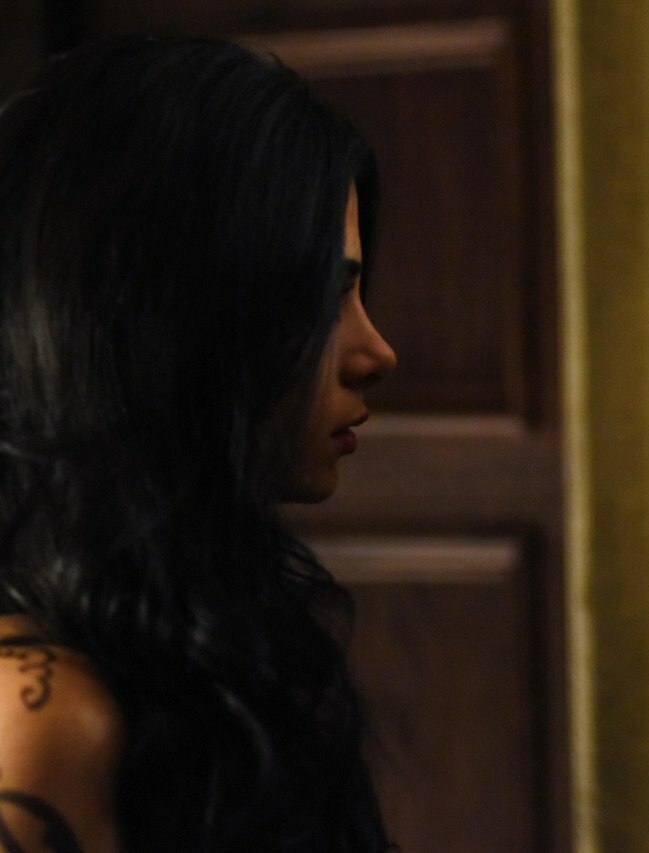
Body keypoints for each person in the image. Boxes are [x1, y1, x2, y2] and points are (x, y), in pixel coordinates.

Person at [0, 36, 397, 850]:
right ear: (177, 318)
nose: (377, 352)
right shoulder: (43, 718)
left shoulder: (198, 641)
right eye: (324, 296)